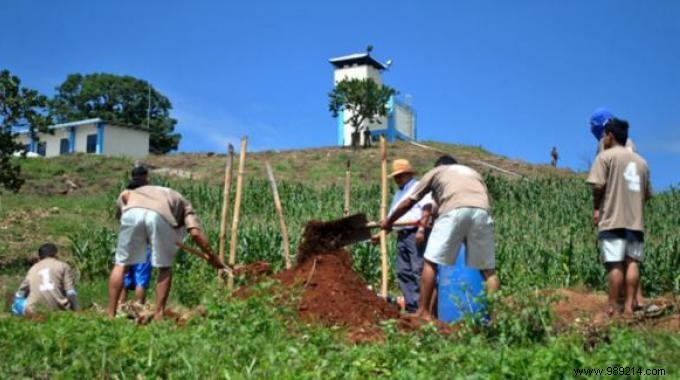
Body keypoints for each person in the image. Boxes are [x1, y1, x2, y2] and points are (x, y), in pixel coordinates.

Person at [382, 155, 499, 320]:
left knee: (430, 261)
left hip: (454, 210)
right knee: (488, 271)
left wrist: (389, 222)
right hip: (481, 212)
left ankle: (423, 312)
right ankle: (493, 316)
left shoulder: (437, 171)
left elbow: (409, 202)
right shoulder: (472, 173)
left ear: (439, 166)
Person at [107, 165, 214, 320]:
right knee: (165, 267)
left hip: (131, 213)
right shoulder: (183, 203)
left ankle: (110, 314)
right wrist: (213, 257)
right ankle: (158, 314)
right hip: (159, 216)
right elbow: (196, 233)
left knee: (121, 264)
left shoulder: (128, 192)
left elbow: (121, 215)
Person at [586, 118, 651, 316]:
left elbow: (598, 186)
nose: (603, 139)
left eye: (605, 135)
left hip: (612, 219)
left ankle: (612, 307)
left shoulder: (605, 157)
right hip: (635, 222)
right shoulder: (642, 162)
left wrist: (596, 208)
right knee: (632, 262)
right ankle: (630, 307)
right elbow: (646, 195)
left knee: (614, 265)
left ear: (610, 136)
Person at [374, 159, 433, 313]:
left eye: (401, 175)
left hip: (415, 233)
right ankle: (412, 308)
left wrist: (421, 230)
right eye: (396, 176)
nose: (398, 178)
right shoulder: (399, 194)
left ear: (408, 174)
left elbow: (427, 208)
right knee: (403, 272)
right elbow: (392, 220)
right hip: (402, 235)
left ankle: (425, 308)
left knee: (418, 271)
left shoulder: (417, 187)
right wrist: (381, 235)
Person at [13, 243, 79, 316]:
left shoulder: (33, 269)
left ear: (39, 256)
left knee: (19, 301)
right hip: (58, 308)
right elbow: (70, 292)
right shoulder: (63, 266)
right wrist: (76, 309)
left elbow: (20, 293)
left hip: (33, 310)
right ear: (56, 254)